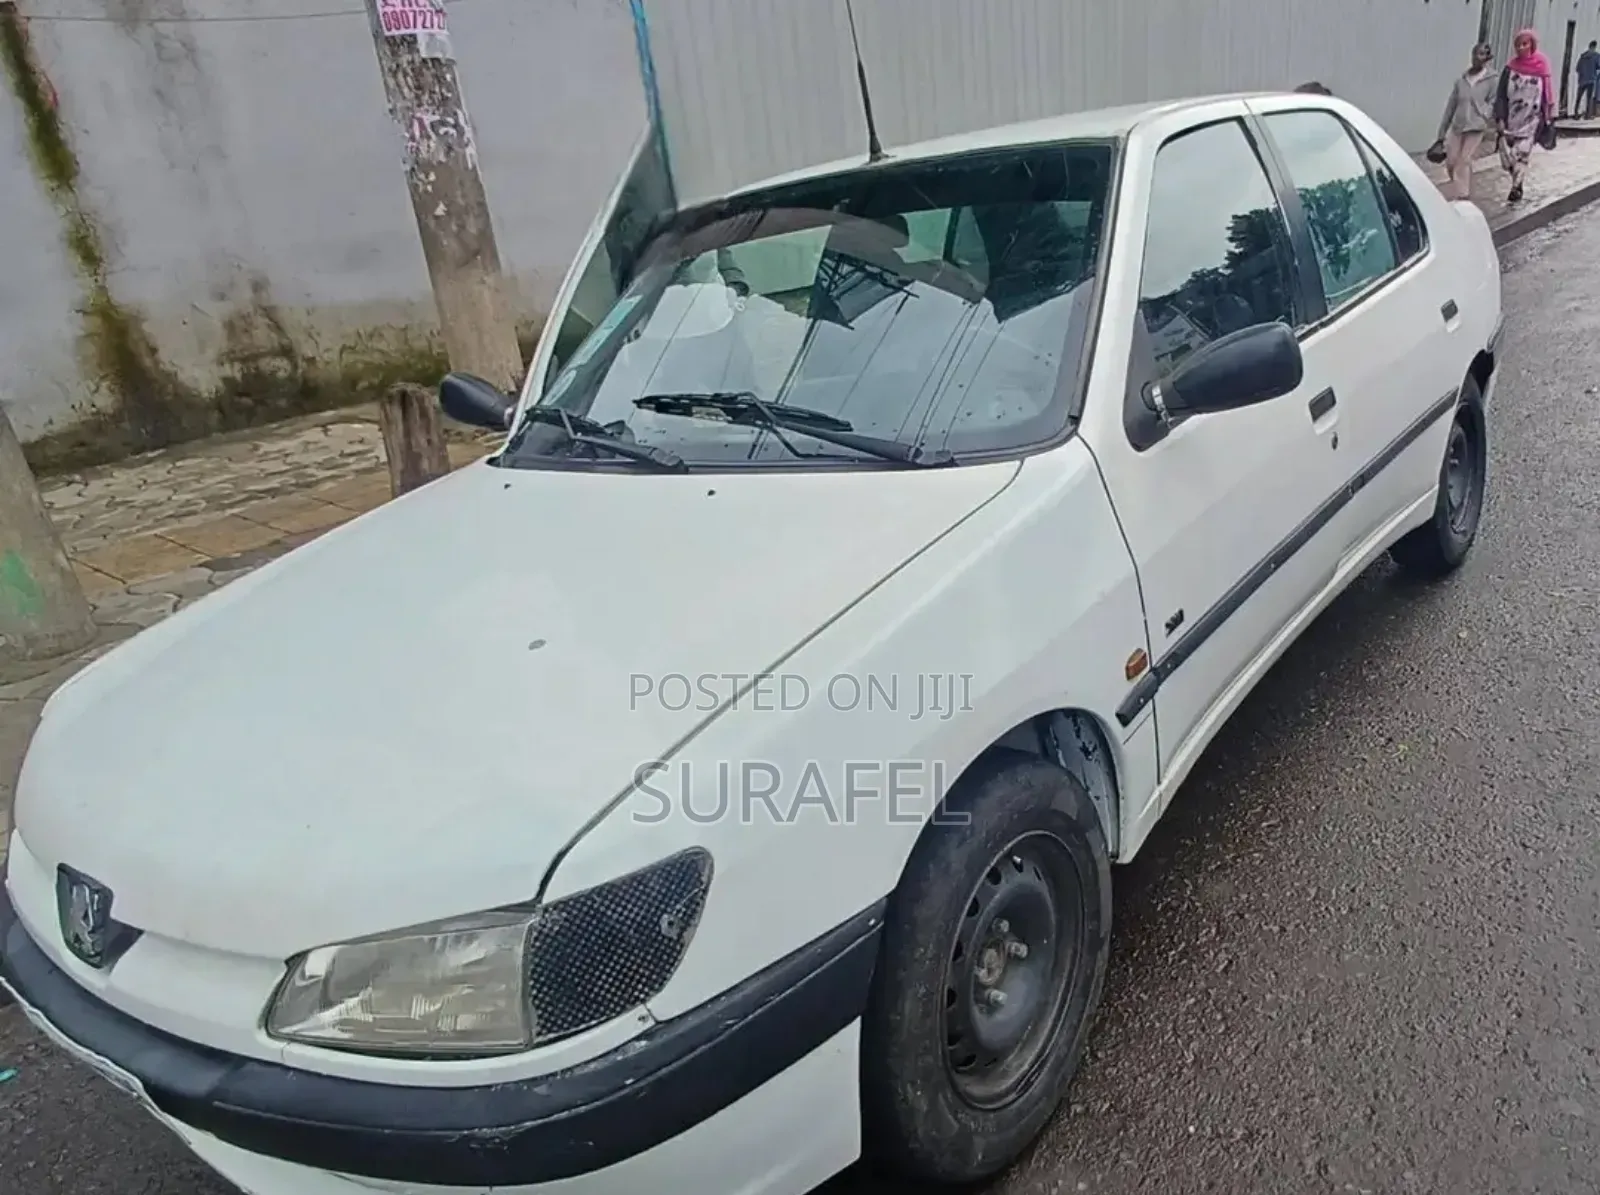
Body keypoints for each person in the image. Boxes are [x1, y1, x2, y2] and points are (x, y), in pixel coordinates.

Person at [1495, 28, 1555, 205]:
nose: (1521, 47)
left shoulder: (1542, 65)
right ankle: (1516, 177)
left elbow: (1548, 93)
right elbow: (1501, 95)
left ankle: (1517, 186)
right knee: (1507, 158)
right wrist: (1499, 117)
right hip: (1511, 119)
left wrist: (1549, 115)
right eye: (1518, 44)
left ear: (1532, 44)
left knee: (1522, 153)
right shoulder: (1510, 69)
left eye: (1525, 43)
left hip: (1532, 119)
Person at [1435, 43, 1496, 200]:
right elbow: (1451, 106)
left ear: (1487, 58)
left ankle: (1463, 195)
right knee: (1451, 161)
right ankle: (1461, 185)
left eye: (1482, 54)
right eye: (1475, 54)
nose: (1477, 58)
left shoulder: (1491, 79)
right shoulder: (1462, 80)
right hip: (1458, 125)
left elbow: (1494, 101)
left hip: (1476, 126)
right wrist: (1442, 132)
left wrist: (1485, 113)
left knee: (1464, 160)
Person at [1578, 40, 1600, 118]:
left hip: (1582, 79)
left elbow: (1578, 68)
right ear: (1594, 47)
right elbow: (1598, 66)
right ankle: (1587, 115)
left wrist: (1582, 74)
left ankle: (1576, 114)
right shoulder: (1596, 56)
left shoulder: (1583, 56)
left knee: (1579, 97)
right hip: (1591, 79)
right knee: (1589, 98)